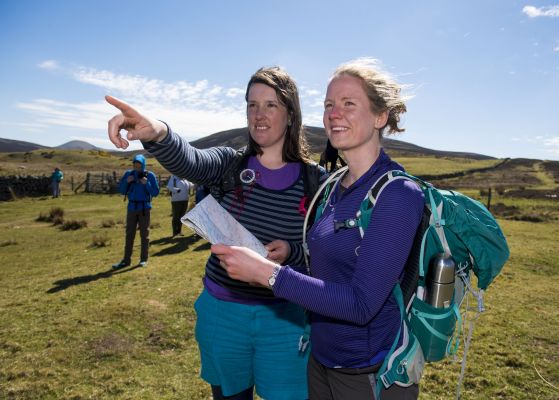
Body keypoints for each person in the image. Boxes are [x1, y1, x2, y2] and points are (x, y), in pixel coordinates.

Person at [106, 66, 327, 400]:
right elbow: (190, 161)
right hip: (223, 316)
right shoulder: (229, 164)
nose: (259, 115)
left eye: (270, 105)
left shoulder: (316, 181)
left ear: (291, 113)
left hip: (287, 320)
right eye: (252, 105)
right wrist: (157, 132)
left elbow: (327, 253)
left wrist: (293, 253)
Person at [212, 58, 424, 399]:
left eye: (348, 104)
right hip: (319, 362)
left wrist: (268, 274)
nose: (334, 113)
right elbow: (325, 268)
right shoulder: (333, 187)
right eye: (328, 104)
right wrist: (291, 254)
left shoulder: (397, 194)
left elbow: (360, 304)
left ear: (380, 116)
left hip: (367, 372)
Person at [112, 154, 160, 269]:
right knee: (129, 234)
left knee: (144, 234)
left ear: (143, 165)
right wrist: (126, 182)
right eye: (135, 165)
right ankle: (126, 260)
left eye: (139, 165)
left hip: (144, 208)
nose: (137, 167)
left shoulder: (150, 175)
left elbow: (155, 193)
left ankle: (143, 259)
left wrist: (146, 183)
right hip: (132, 208)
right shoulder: (129, 174)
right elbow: (122, 191)